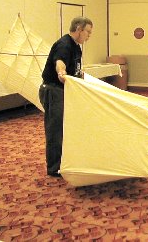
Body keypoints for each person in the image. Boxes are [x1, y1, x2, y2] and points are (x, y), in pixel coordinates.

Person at [39, 16, 93, 177]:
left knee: (66, 128)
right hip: (53, 90)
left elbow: (75, 69)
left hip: (64, 91)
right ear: (78, 29)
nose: (89, 36)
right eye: (88, 32)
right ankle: (54, 168)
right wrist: (61, 72)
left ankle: (64, 161)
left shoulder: (77, 47)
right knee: (55, 129)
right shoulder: (64, 44)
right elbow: (60, 62)